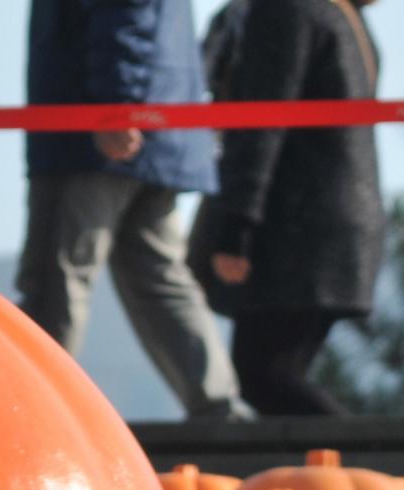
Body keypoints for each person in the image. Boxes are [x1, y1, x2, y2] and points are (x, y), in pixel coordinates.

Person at [21, 0, 245, 420]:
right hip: (150, 130)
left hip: (95, 137)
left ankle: (33, 413)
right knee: (160, 279)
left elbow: (125, 12)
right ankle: (222, 411)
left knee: (57, 280)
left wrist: (118, 102)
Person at [192, 0, 385, 417]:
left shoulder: (287, 9)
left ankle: (367, 467)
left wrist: (237, 227)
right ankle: (355, 470)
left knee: (264, 376)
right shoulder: (342, 15)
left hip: (297, 227)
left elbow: (262, 122)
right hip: (340, 220)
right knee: (275, 375)